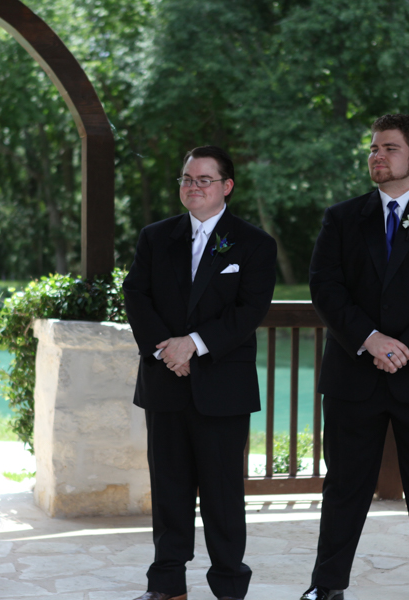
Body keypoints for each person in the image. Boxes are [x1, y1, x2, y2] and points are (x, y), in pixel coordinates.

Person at [302, 114, 409, 600]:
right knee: (343, 487)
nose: (377, 156)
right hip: (353, 376)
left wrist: (407, 348)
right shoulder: (341, 218)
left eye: (389, 148)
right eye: (373, 148)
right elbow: (325, 286)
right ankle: (326, 587)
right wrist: (371, 339)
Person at [123, 146, 277, 600]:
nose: (192, 186)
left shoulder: (254, 243)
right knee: (168, 490)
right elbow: (136, 296)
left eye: (203, 179)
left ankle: (229, 587)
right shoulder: (155, 237)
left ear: (227, 186)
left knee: (222, 495)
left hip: (222, 386)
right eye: (187, 179)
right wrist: (167, 349)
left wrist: (193, 343)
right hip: (164, 382)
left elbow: (250, 309)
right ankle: (167, 586)